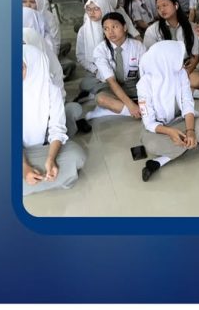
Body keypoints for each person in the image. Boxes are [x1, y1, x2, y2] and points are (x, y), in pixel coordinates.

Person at [137, 40, 199, 182]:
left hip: (180, 122)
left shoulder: (181, 74)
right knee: (152, 144)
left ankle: (160, 161)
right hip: (158, 129)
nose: (182, 63)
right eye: (179, 59)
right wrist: (170, 132)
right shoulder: (144, 84)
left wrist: (190, 130)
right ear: (166, 60)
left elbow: (187, 104)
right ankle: (193, 142)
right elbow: (149, 122)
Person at [22, 43, 86, 196]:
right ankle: (61, 177)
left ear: (32, 64)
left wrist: (51, 159)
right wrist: (24, 168)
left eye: (21, 67)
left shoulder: (50, 87)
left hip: (43, 144)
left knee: (78, 156)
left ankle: (38, 177)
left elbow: (57, 128)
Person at [142, 0, 199, 92]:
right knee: (158, 83)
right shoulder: (152, 30)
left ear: (176, 5)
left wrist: (187, 72)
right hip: (163, 70)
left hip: (185, 68)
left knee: (198, 80)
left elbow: (195, 56)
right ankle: (194, 93)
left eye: (165, 5)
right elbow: (149, 58)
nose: (162, 10)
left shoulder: (191, 27)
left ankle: (174, 90)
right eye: (158, 7)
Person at [87, 12, 145, 120]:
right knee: (101, 99)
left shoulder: (138, 46)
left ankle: (117, 110)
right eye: (106, 29)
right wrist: (131, 105)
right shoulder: (100, 50)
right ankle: (140, 112)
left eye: (114, 27)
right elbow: (111, 81)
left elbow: (145, 76)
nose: (110, 32)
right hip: (112, 87)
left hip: (135, 85)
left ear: (125, 27)